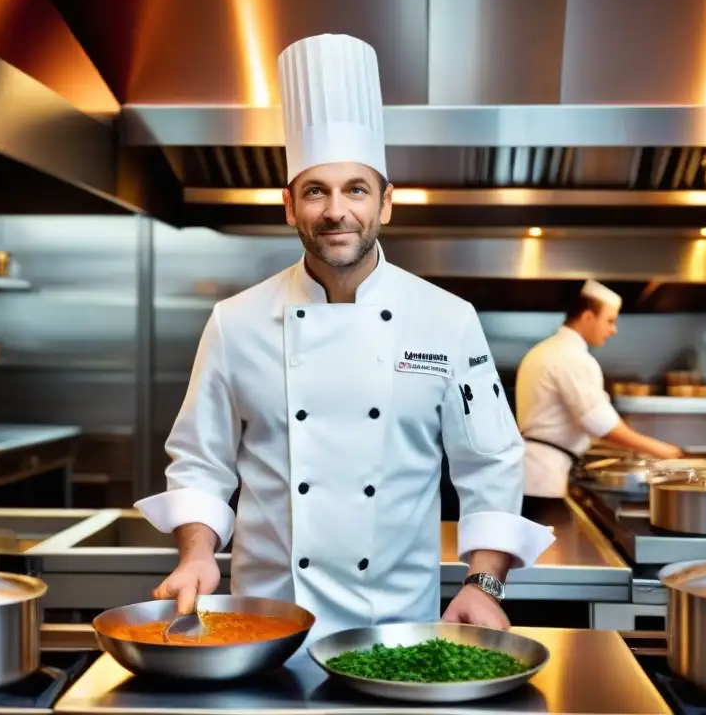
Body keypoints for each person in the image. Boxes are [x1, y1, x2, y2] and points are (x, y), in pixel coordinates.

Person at [135, 33, 554, 646]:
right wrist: (199, 554)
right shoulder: (236, 320)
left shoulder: (447, 318)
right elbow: (201, 461)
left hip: (399, 630)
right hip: (266, 629)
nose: (336, 210)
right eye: (316, 191)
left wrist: (483, 583)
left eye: (355, 189)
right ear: (289, 205)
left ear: (386, 203)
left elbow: (489, 460)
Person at [515, 280, 684, 508]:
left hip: (532, 474)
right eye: (610, 321)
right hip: (544, 479)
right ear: (587, 317)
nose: (613, 330)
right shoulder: (572, 358)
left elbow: (593, 419)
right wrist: (664, 451)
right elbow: (601, 425)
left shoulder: (547, 349)